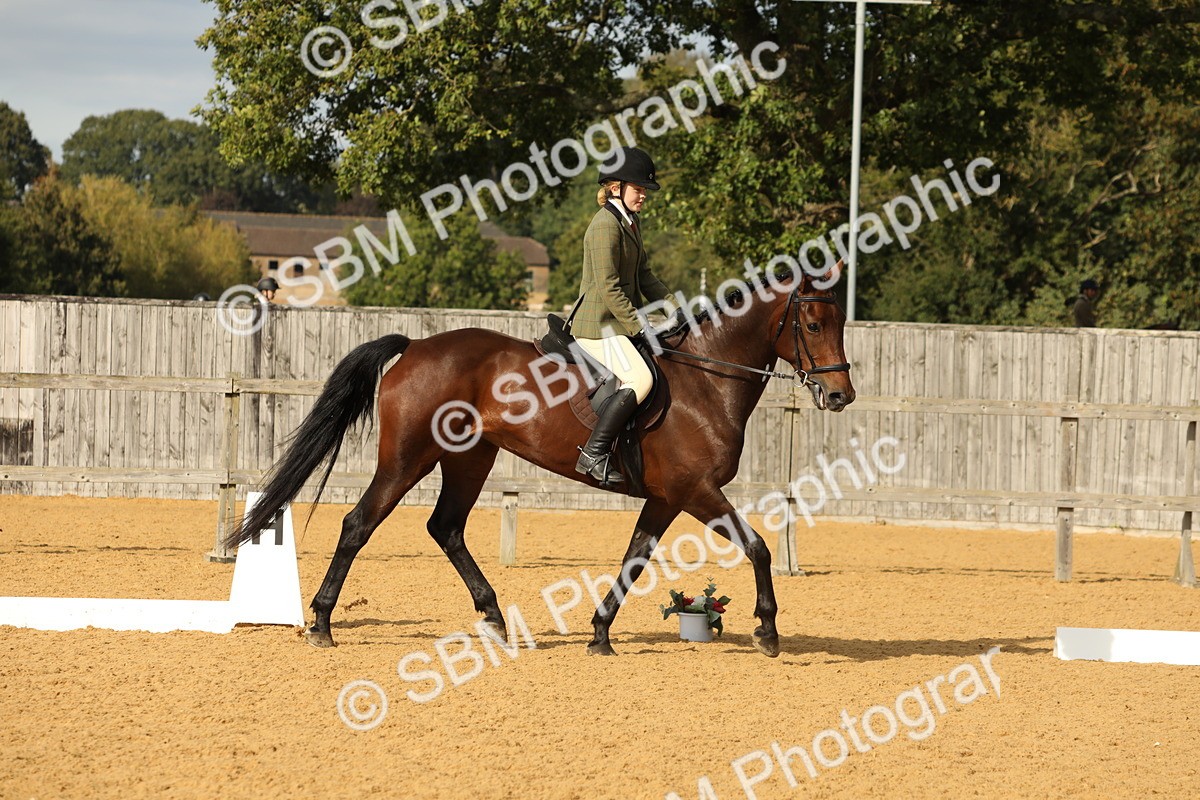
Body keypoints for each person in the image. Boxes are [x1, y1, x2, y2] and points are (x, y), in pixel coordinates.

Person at [570, 146, 674, 486]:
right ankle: (594, 454)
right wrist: (639, 327)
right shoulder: (604, 226)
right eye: (639, 188)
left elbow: (644, 276)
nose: (644, 195)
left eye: (645, 190)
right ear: (615, 187)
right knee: (640, 380)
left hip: (617, 324)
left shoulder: (630, 222)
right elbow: (609, 286)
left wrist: (675, 306)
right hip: (597, 326)